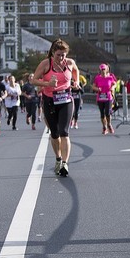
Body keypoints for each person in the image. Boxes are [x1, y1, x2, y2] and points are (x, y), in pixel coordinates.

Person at [31, 39, 79, 177]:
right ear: (53, 53)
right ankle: (58, 158)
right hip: (50, 100)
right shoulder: (46, 64)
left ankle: (65, 163)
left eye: (63, 54)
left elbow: (76, 72)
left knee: (64, 132)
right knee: (54, 133)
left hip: (66, 100)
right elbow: (34, 80)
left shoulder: (69, 63)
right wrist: (48, 83)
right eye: (58, 55)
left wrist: (75, 81)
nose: (61, 58)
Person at [92, 63, 117, 134]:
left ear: (106, 70)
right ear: (100, 70)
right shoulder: (97, 78)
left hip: (108, 97)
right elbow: (93, 87)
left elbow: (115, 84)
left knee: (107, 113)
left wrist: (112, 87)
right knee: (102, 114)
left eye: (104, 69)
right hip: (100, 98)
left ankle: (109, 124)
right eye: (101, 69)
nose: (103, 71)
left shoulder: (110, 77)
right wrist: (97, 89)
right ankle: (104, 127)